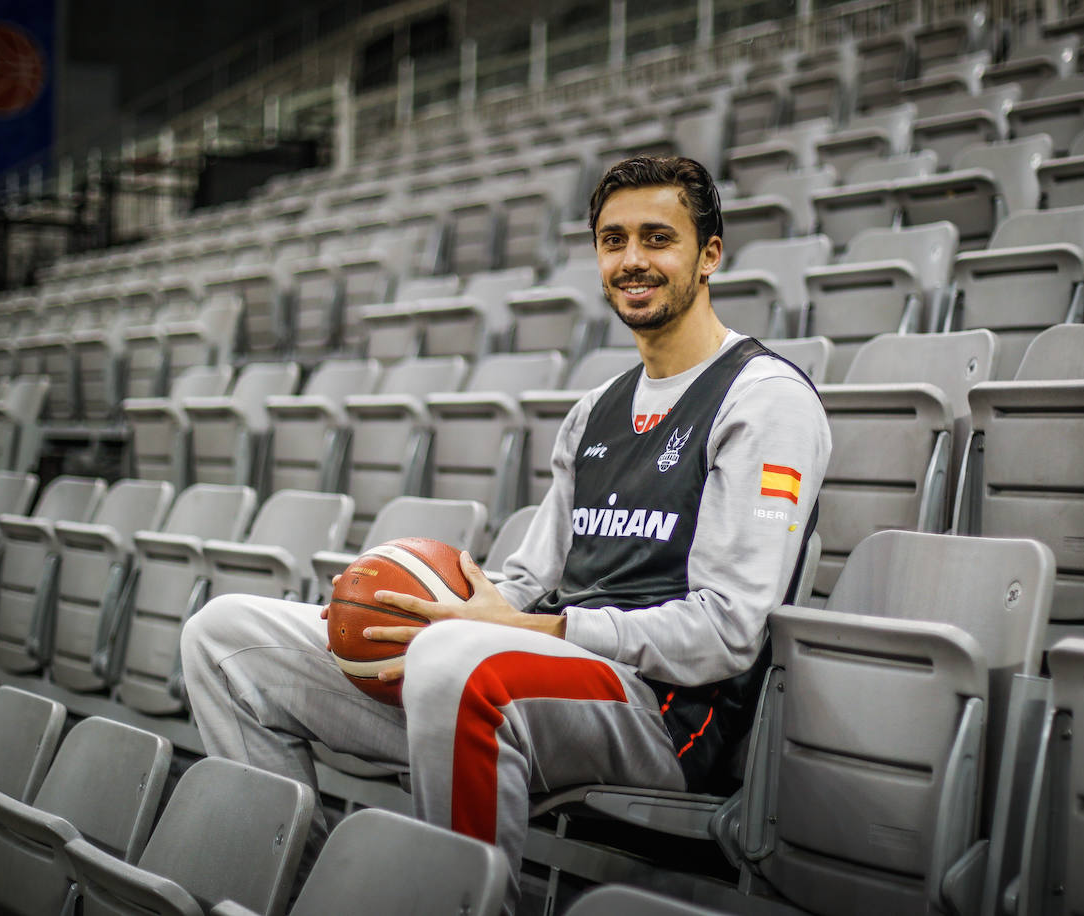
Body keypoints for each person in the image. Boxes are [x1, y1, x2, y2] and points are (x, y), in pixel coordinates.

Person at [180, 156, 832, 912]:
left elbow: (728, 633)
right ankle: (303, 893)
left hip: (667, 716)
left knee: (463, 667)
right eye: (613, 240)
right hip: (545, 671)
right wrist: (420, 613)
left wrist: (536, 627)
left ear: (709, 254)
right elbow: (521, 583)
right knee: (223, 638)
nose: (632, 260)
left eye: (658, 238)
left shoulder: (765, 401)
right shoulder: (596, 410)